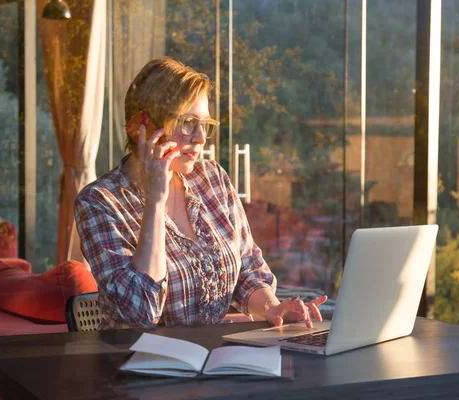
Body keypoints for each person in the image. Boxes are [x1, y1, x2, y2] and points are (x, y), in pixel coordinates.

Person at [75, 57, 327, 330]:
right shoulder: (99, 202)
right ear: (143, 127)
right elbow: (140, 313)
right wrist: (155, 202)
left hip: (214, 357)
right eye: (187, 123)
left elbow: (247, 268)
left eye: (204, 124)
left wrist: (273, 307)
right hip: (137, 364)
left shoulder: (212, 178)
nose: (201, 138)